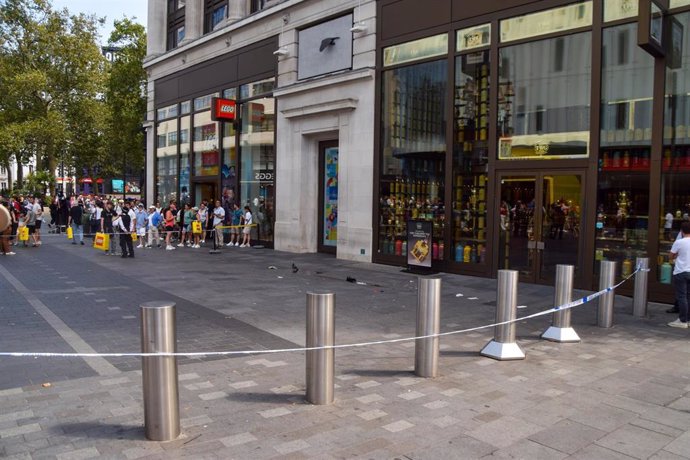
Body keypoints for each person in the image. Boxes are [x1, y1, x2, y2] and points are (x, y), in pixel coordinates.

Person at [668, 221, 690, 328]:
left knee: (682, 297)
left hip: (681, 271)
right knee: (689, 296)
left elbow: (671, 256)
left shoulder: (679, 242)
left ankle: (682, 320)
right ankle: (688, 319)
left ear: (681, 231)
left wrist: (677, 255)